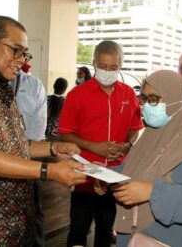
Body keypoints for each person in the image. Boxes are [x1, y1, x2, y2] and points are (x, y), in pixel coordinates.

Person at [0, 15, 87, 246]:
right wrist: (49, 172)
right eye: (15, 50)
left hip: (18, 224)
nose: (21, 60)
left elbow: (18, 144)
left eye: (25, 53)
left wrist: (53, 147)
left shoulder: (4, 90)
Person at [111, 70, 182, 247]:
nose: (147, 105)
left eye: (154, 99)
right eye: (145, 99)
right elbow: (134, 170)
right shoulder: (150, 135)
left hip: (170, 239)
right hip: (134, 236)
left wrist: (152, 192)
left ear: (175, 99)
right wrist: (106, 176)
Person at [58, 40, 143, 247]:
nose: (108, 71)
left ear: (120, 65)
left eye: (113, 68)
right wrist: (93, 146)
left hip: (115, 176)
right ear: (94, 63)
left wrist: (127, 144)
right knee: (78, 230)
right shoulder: (76, 95)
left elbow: (135, 127)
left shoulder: (128, 94)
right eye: (103, 67)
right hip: (84, 175)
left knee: (106, 232)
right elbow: (64, 134)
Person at [10, 63, 48, 247]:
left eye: (23, 53)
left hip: (30, 153)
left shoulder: (34, 85)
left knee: (34, 206)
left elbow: (39, 125)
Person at [46, 77, 68, 141]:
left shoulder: (46, 99)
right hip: (60, 135)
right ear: (64, 90)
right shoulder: (67, 102)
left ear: (54, 86)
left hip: (45, 133)